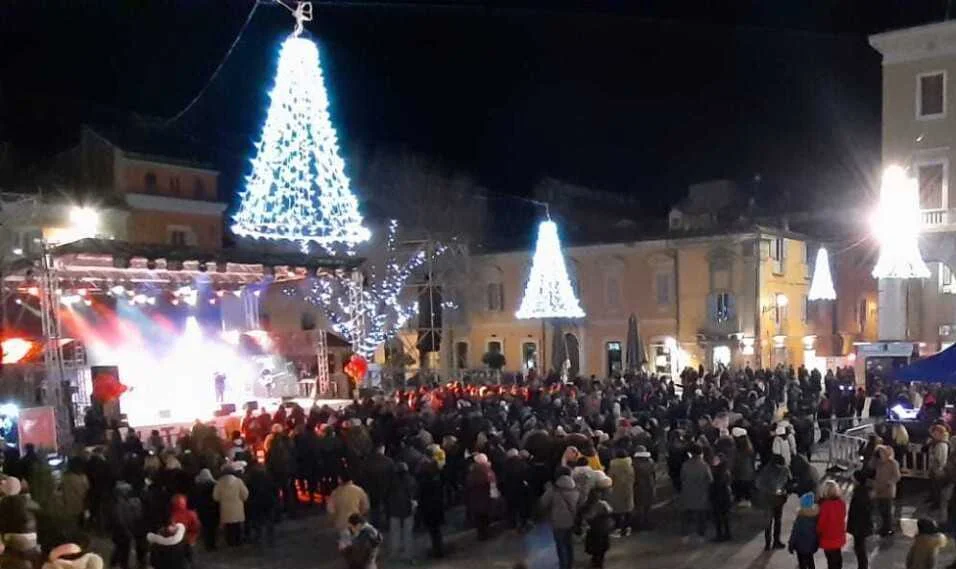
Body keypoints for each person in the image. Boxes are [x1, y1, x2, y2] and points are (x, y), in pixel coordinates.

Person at [540, 467, 579, 569]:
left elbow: (543, 503)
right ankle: (570, 564)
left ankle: (563, 565)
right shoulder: (576, 488)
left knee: (560, 545)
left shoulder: (553, 490)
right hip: (572, 520)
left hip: (558, 522)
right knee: (569, 544)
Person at [756, 454, 791, 550]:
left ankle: (776, 541)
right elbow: (759, 483)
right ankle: (768, 542)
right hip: (768, 499)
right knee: (769, 522)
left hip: (779, 498)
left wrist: (784, 490)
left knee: (777, 520)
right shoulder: (766, 471)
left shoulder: (784, 470)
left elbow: (788, 482)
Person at [680, 444, 712, 543]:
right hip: (701, 493)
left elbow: (682, 478)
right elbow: (710, 479)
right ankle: (700, 535)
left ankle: (686, 534)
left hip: (688, 493)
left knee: (687, 515)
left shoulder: (685, 465)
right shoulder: (704, 465)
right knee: (701, 516)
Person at [385, 462, 417, 562]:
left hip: (394, 510)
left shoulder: (391, 481)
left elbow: (387, 495)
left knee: (395, 533)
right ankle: (408, 555)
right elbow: (415, 494)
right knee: (408, 534)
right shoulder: (411, 480)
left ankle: (394, 554)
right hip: (408, 510)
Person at [213, 464, 250, 546]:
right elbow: (245, 494)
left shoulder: (219, 482)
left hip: (225, 509)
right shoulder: (238, 481)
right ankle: (238, 541)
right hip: (237, 508)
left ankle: (230, 541)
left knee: (229, 527)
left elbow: (215, 497)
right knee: (237, 526)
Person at [328, 472, 371, 543]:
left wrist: (333, 520)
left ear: (340, 480)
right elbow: (366, 507)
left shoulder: (335, 493)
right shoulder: (359, 490)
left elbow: (331, 510)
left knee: (346, 544)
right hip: (356, 522)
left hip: (342, 523)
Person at [583, 475, 614, 569]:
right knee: (601, 550)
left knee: (595, 550)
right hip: (603, 530)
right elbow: (610, 510)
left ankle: (595, 562)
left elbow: (587, 517)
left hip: (593, 531)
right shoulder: (603, 504)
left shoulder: (587, 505)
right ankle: (599, 564)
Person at [417, 459, 446, 558]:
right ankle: (439, 550)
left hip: (428, 510)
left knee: (433, 532)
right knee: (437, 532)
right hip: (437, 508)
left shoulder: (424, 481)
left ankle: (437, 550)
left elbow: (421, 497)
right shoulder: (438, 479)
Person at [817, 480, 847, 569]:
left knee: (831, 560)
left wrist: (817, 531)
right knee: (837, 556)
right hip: (839, 535)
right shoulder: (841, 503)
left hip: (828, 537)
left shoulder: (825, 505)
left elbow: (821, 523)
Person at [465, 453, 496, 541]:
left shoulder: (472, 472)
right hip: (486, 498)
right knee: (485, 517)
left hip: (475, 499)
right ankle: (486, 533)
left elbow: (468, 485)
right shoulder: (488, 471)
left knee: (478, 518)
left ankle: (481, 534)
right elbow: (492, 484)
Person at [847, 470, 874, 569]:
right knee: (859, 547)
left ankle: (862, 566)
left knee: (860, 548)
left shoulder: (860, 493)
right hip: (861, 526)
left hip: (859, 526)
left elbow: (859, 511)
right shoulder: (863, 491)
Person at [873, 445, 901, 537]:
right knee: (881, 510)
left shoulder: (893, 463)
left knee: (887, 511)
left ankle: (888, 528)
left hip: (888, 490)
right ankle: (883, 527)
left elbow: (897, 476)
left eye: (882, 453)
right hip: (879, 488)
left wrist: (890, 482)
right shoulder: (878, 463)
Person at [607, 448, 634, 537]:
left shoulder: (614, 466)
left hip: (616, 490)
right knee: (628, 508)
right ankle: (627, 528)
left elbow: (610, 478)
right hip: (628, 489)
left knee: (617, 510)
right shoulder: (630, 465)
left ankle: (618, 529)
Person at [189, 468, 219, 551]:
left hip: (202, 510)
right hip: (213, 509)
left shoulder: (197, 486)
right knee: (212, 528)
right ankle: (212, 544)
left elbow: (193, 498)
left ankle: (207, 544)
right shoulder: (214, 485)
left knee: (205, 527)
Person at [789, 492, 820, 569]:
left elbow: (795, 533)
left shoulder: (800, 518)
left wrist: (791, 545)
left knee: (802, 563)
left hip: (800, 546)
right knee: (810, 560)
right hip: (811, 545)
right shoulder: (815, 517)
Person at [631, 446, 656, 531]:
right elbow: (653, 474)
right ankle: (648, 523)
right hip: (650, 485)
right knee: (648, 506)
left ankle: (640, 525)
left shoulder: (634, 464)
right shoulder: (651, 462)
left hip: (639, 486)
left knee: (639, 506)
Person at [168, 495, 199, 563]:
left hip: (177, 542)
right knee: (191, 559)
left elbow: (170, 530)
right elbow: (196, 527)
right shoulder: (191, 513)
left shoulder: (172, 516)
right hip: (190, 540)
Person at [710, 453, 733, 542]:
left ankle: (720, 535)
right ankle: (727, 533)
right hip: (725, 496)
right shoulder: (726, 472)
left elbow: (715, 484)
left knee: (718, 517)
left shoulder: (716, 473)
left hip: (718, 496)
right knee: (725, 516)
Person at [731, 429, 756, 507]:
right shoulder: (749, 448)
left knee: (738, 497)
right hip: (749, 475)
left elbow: (735, 463)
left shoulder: (737, 449)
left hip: (739, 476)